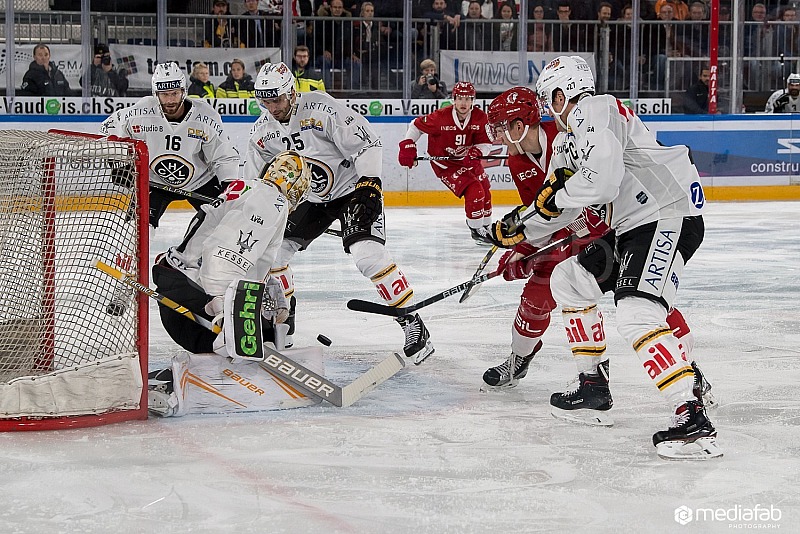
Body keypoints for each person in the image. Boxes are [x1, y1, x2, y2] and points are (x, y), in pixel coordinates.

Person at [517, 55, 719, 458]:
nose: (546, 108)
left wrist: (555, 198)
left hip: (665, 215)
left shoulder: (597, 108)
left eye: (548, 98)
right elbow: (561, 208)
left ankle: (692, 416)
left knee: (638, 313)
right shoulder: (568, 141)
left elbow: (600, 184)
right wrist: (515, 230)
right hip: (632, 226)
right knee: (568, 280)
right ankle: (593, 388)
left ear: (563, 93)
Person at [245, 62, 435, 364]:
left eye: (276, 99)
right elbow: (255, 178)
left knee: (368, 256)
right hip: (310, 198)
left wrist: (370, 184)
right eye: (264, 101)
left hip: (351, 191)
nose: (271, 107)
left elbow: (368, 143)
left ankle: (412, 322)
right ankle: (283, 318)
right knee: (274, 253)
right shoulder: (262, 131)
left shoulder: (322, 109)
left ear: (292, 92)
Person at [147, 151, 323, 417]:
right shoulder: (272, 199)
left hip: (181, 290)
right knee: (252, 341)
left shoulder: (251, 189)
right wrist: (225, 313)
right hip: (195, 299)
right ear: (298, 188)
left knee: (257, 335)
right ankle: (212, 377)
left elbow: (224, 246)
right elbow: (225, 254)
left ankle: (178, 379)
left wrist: (267, 282)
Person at [398, 82, 495, 245]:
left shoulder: (480, 117)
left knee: (485, 188)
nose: (463, 103)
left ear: (473, 100)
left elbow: (485, 142)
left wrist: (477, 151)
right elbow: (416, 125)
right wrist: (408, 145)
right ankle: (477, 230)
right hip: (446, 164)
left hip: (468, 160)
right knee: (475, 190)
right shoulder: (441, 117)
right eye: (460, 98)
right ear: (454, 99)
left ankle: (486, 226)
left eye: (467, 99)